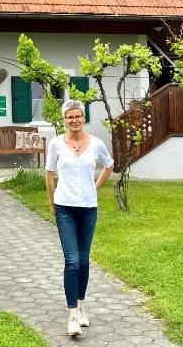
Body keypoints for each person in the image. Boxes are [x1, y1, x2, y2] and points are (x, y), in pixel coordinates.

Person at [45, 99, 114, 337]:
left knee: (84, 261)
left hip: (88, 208)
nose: (74, 120)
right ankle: (72, 314)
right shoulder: (55, 143)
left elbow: (109, 165)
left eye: (77, 116)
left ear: (83, 118)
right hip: (65, 208)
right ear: (64, 120)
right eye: (69, 117)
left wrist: (95, 187)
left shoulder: (96, 143)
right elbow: (49, 172)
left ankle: (81, 307)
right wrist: (52, 201)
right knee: (72, 261)